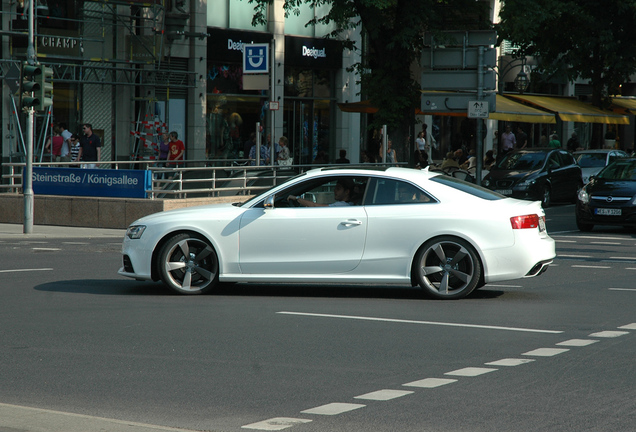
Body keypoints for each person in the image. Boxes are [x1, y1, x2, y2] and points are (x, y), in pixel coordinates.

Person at [287, 178, 354, 207]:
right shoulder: (350, 204)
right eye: (335, 188)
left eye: (338, 188)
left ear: (347, 192)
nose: (334, 190)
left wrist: (297, 198)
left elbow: (315, 206)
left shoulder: (342, 205)